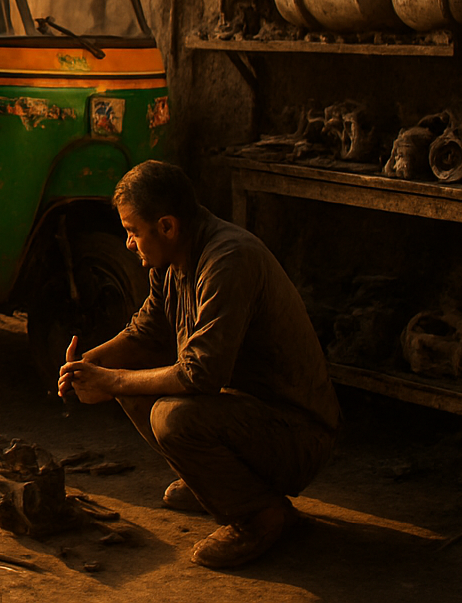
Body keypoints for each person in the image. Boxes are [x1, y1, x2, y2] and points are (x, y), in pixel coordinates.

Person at [58, 160, 340, 569]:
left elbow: (200, 375)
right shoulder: (172, 257)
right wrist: (90, 363)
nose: (128, 244)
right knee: (129, 387)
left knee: (172, 416)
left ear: (168, 226)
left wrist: (112, 379)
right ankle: (218, 483)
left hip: (297, 436)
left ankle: (259, 514)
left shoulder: (228, 260)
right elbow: (148, 330)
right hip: (246, 414)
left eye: (133, 232)